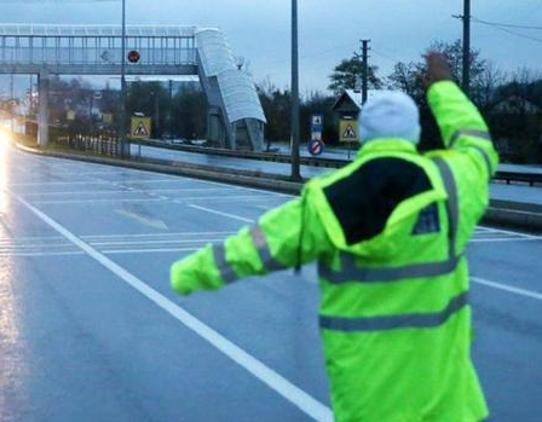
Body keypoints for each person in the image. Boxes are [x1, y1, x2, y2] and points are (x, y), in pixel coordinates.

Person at [170, 52, 496, 421]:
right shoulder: (453, 185)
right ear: (415, 134)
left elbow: (257, 245)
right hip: (449, 405)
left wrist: (188, 273)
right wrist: (443, 87)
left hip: (368, 404)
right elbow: (475, 142)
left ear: (364, 136)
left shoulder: (328, 200)